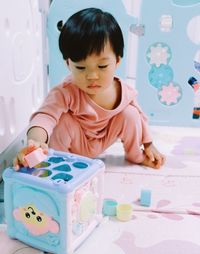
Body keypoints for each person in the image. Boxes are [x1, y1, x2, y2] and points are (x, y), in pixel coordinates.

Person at [13, 7, 165, 170]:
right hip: (70, 146)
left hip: (103, 140)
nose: (92, 76)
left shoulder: (123, 90)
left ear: (117, 61)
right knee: (62, 120)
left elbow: (140, 119)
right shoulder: (65, 91)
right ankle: (56, 162)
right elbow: (45, 116)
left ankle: (135, 155)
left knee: (131, 113)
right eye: (80, 68)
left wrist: (148, 144)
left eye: (102, 66)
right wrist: (35, 142)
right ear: (68, 64)